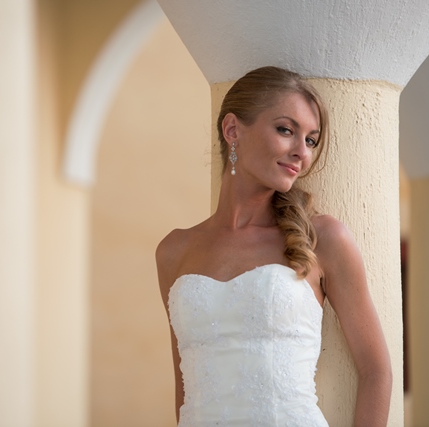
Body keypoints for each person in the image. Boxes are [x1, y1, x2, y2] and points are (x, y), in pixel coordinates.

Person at [155, 66, 392, 426]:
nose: (302, 153)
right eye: (286, 130)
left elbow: (376, 371)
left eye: (311, 140)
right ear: (232, 130)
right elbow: (185, 387)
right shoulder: (173, 250)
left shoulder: (323, 239)